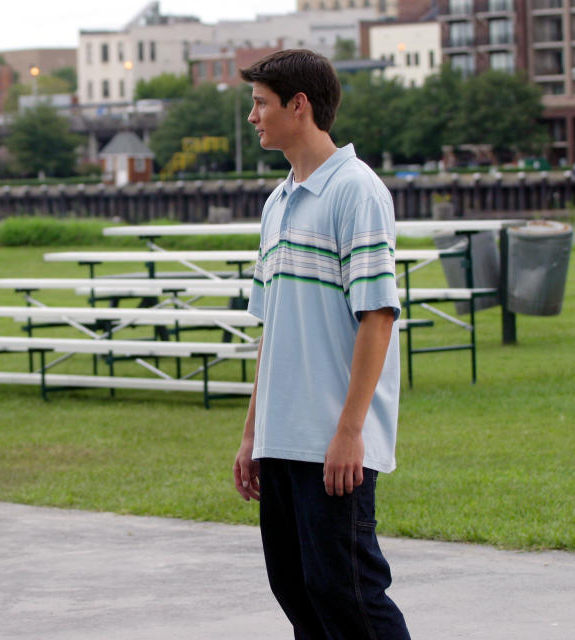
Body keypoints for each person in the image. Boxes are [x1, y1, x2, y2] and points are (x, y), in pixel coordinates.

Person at [232, 50, 410, 639]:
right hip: (282, 440)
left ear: (298, 105)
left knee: (349, 595)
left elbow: (378, 317)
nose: (253, 116)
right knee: (299, 592)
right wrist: (252, 433)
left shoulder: (356, 191)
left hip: (333, 441)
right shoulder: (278, 201)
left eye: (260, 103)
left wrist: (350, 431)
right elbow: (273, 330)